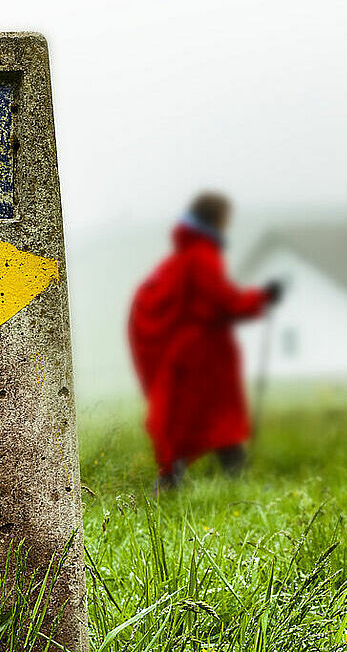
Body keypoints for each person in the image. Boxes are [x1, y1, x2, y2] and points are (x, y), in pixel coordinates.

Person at [128, 191, 282, 491]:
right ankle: (229, 482)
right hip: (204, 356)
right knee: (218, 418)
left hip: (186, 352)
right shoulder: (202, 256)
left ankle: (175, 479)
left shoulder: (181, 257)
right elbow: (226, 303)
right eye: (226, 217)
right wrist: (264, 296)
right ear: (216, 218)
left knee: (186, 418)